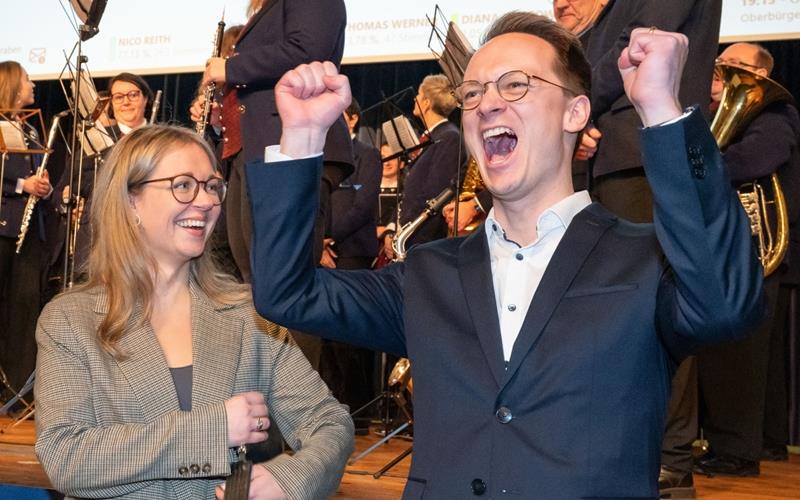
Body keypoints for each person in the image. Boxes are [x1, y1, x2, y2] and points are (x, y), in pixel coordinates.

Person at [246, 11, 764, 498]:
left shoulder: (643, 261)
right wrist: (303, 139)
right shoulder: (426, 275)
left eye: (516, 85)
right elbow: (286, 292)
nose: (487, 103)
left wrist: (662, 112)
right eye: (472, 93)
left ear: (575, 111)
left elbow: (725, 303)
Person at [34, 125, 354, 499]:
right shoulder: (70, 320)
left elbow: (330, 424)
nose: (206, 202)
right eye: (183, 185)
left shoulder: (250, 314)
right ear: (129, 201)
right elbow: (65, 458)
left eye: (212, 186)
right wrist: (214, 430)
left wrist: (292, 477)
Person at [693, 42, 800, 478]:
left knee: (740, 354)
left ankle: (736, 451)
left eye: (738, 66)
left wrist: (702, 166)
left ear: (765, 75)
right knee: (747, 355)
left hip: (757, 252)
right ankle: (754, 443)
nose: (726, 71)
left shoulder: (773, 115)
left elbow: (758, 158)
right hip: (738, 250)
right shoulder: (715, 118)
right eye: (723, 65)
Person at [0, 60, 52, 394]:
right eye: (28, 79)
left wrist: (43, 184)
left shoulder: (30, 128)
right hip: (4, 228)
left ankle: (17, 386)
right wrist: (23, 184)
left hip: (31, 228)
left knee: (23, 305)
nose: (33, 85)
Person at [382, 74, 463, 253]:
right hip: (411, 237)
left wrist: (404, 232)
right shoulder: (432, 137)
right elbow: (410, 191)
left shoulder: (449, 138)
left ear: (426, 102)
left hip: (423, 241)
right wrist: (393, 228)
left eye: (418, 94)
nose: (415, 98)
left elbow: (434, 193)